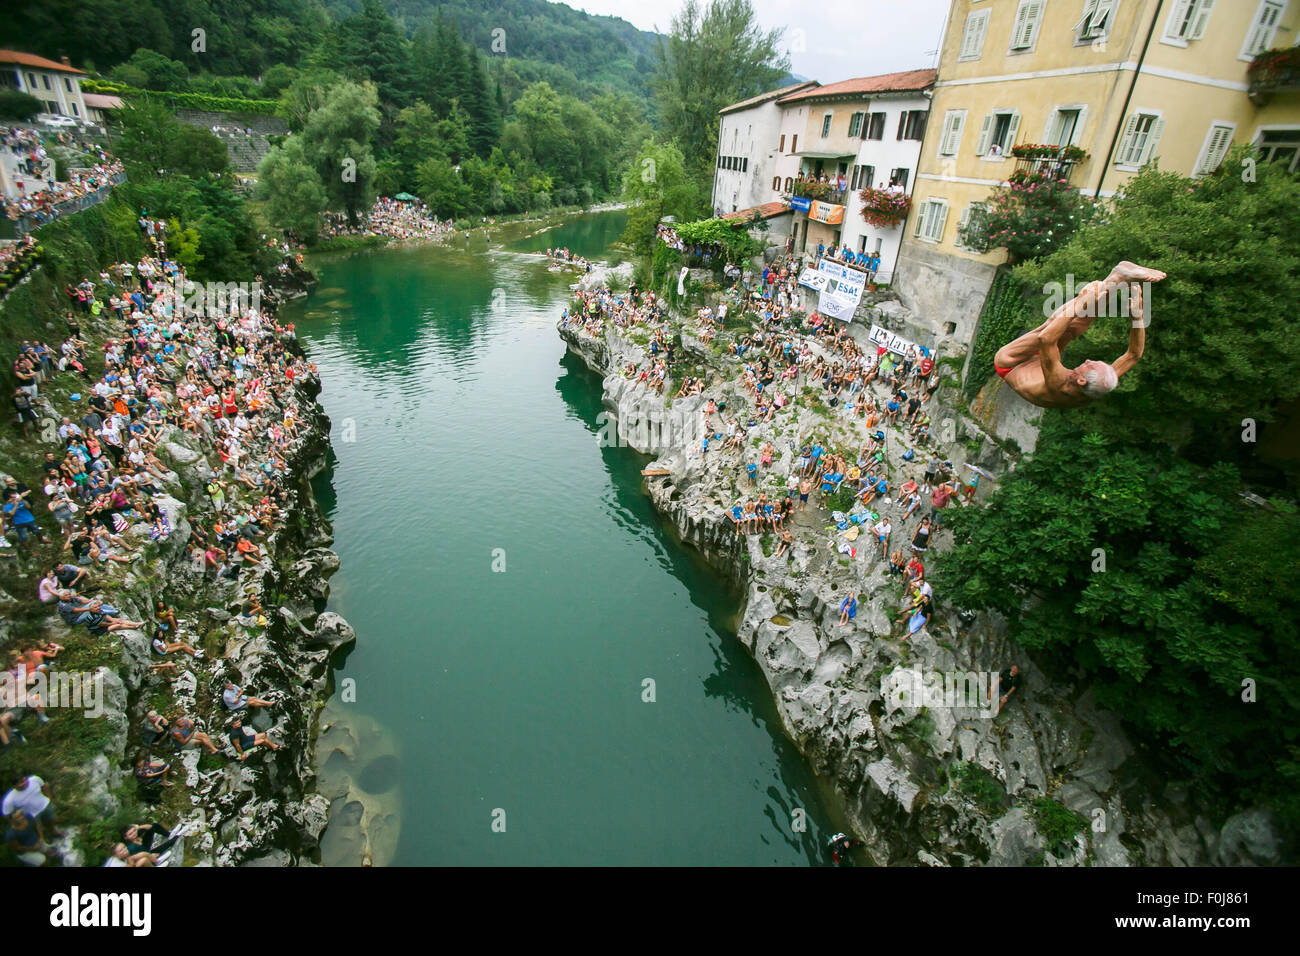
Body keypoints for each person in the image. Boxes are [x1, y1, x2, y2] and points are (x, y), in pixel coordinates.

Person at [993, 262, 1164, 409]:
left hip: (1012, 364)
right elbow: (1134, 355)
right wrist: (1137, 315)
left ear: (1081, 380)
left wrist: (1082, 302)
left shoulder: (1059, 384)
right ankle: (1117, 279)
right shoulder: (1103, 382)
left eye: (1089, 365)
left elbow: (1046, 338)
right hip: (1043, 362)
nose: (1088, 360)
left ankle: (1115, 279)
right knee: (1075, 328)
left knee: (1051, 325)